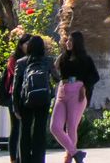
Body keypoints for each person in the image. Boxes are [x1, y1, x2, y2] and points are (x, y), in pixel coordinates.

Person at [10, 34, 57, 163]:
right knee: (40, 130)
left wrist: (15, 106)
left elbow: (16, 86)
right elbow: (56, 78)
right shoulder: (48, 61)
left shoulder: (21, 62)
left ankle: (24, 159)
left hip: (26, 100)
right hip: (43, 99)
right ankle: (38, 159)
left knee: (25, 130)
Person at [51, 30, 96, 163]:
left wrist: (84, 87)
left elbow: (95, 76)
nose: (68, 43)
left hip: (77, 92)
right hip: (62, 91)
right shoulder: (63, 57)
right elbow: (55, 71)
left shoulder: (85, 59)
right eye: (67, 40)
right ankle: (75, 152)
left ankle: (69, 158)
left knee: (71, 127)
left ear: (77, 43)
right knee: (55, 127)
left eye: (71, 40)